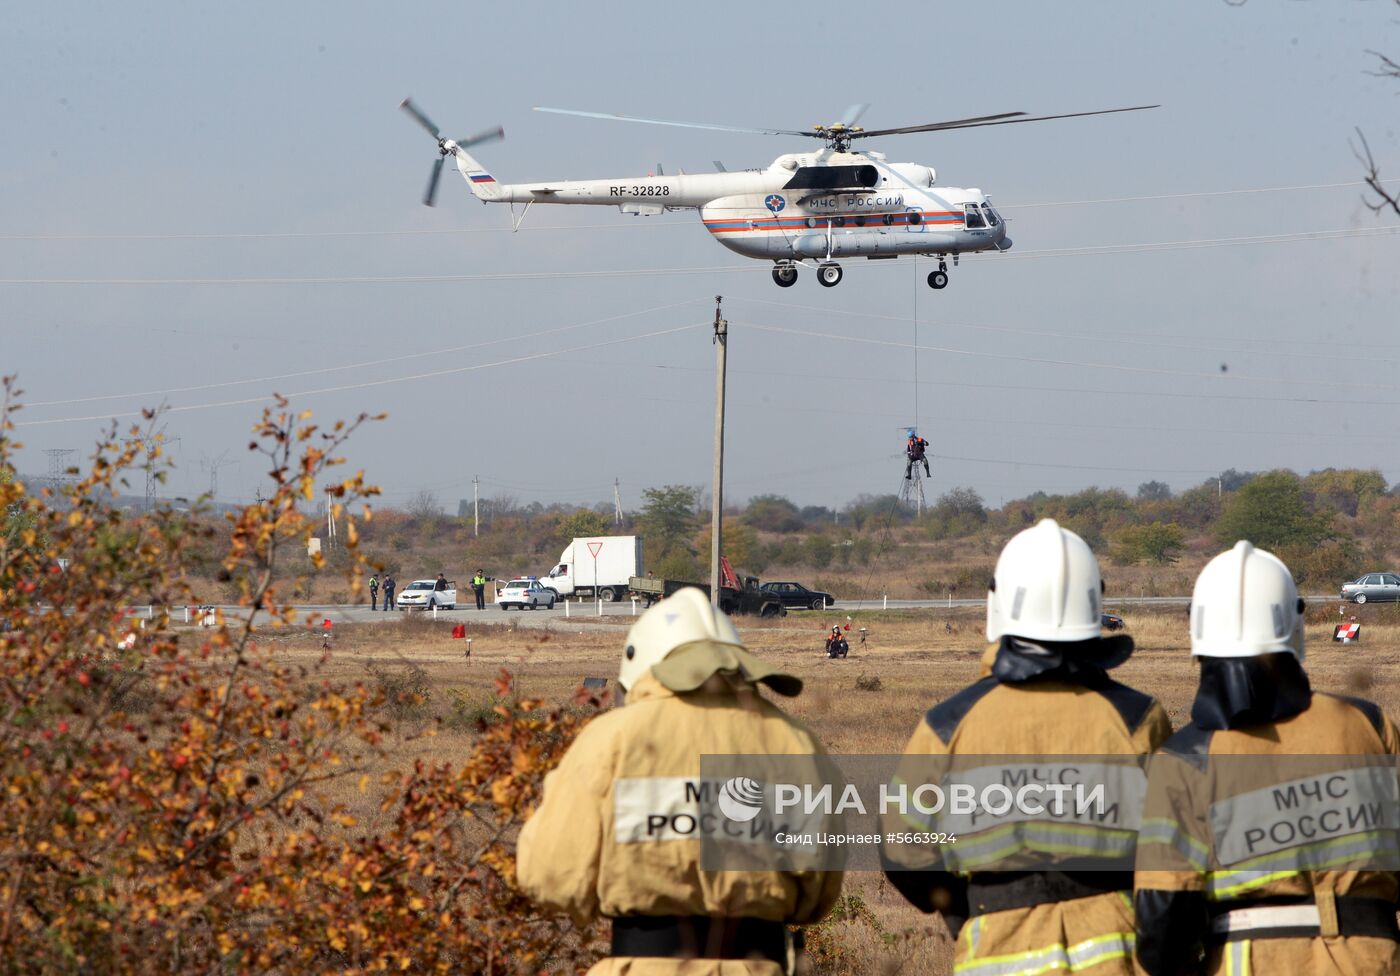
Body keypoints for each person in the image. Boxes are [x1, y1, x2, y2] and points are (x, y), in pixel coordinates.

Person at [881, 518, 1172, 976]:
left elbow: (901, 851)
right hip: (1117, 950)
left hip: (993, 948)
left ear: (998, 603)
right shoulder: (1139, 719)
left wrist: (968, 909)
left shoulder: (947, 725)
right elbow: (1175, 852)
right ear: (1093, 601)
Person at [516, 587, 843, 973]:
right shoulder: (796, 743)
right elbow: (820, 889)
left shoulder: (610, 740)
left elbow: (551, 874)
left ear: (639, 668)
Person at [1134, 541, 1400, 975]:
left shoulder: (1183, 759)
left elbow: (1163, 919)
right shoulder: (1369, 726)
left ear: (1198, 628)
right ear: (1293, 622)